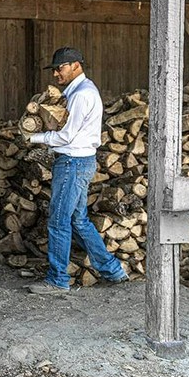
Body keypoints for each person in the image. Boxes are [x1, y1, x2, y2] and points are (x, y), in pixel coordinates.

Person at [24, 47, 128, 294]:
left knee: (59, 221)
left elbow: (67, 135)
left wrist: (34, 138)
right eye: (55, 69)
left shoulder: (81, 95)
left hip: (72, 162)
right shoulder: (78, 91)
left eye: (60, 68)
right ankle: (112, 270)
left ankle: (58, 280)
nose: (56, 74)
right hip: (79, 162)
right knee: (78, 221)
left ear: (76, 66)